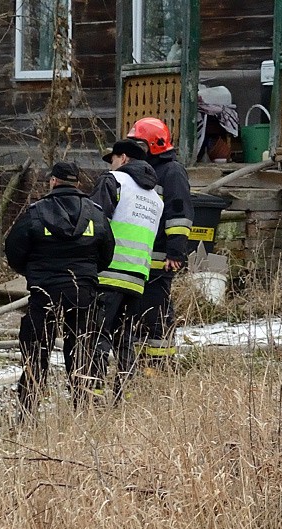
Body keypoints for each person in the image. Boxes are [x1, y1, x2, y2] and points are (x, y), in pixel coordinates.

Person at [5, 162, 115, 419]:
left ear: (53, 181)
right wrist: (87, 274)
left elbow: (13, 250)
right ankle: (83, 412)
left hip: (44, 291)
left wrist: (33, 273)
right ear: (77, 183)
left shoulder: (35, 212)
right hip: (83, 292)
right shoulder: (95, 213)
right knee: (81, 352)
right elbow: (107, 253)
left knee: (36, 353)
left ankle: (28, 414)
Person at [90, 139, 163, 401]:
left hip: (107, 273)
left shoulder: (113, 181)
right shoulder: (156, 197)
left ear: (122, 158)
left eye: (112, 159)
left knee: (96, 335)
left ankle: (93, 393)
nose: (111, 165)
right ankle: (124, 397)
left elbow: (94, 222)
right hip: (137, 278)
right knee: (125, 339)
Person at [126, 118, 195, 367]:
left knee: (156, 312)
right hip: (141, 256)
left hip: (161, 258)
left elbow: (179, 215)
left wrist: (175, 253)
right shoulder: (145, 171)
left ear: (154, 145)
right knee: (138, 311)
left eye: (138, 144)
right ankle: (140, 361)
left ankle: (160, 364)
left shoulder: (172, 172)